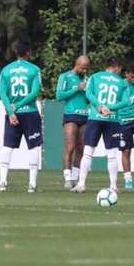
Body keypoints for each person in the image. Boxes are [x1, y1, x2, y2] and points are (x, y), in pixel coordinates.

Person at [72, 58, 129, 193]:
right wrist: (110, 108)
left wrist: (99, 106)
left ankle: (81, 184)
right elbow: (126, 101)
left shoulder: (95, 77)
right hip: (112, 119)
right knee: (112, 155)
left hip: (95, 118)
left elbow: (88, 93)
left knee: (87, 153)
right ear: (116, 67)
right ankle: (113, 186)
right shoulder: (121, 82)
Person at [0, 42, 43, 193]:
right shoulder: (34, 69)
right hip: (29, 112)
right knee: (34, 146)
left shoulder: (5, 70)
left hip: (12, 114)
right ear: (28, 53)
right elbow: (34, 92)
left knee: (7, 146)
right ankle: (32, 184)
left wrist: (11, 112)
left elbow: (2, 93)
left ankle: (2, 182)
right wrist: (18, 107)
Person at [56, 56, 90, 188]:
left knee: (81, 148)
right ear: (77, 64)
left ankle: (76, 178)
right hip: (70, 115)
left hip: (85, 115)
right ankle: (67, 177)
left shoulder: (87, 79)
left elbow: (87, 99)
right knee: (70, 147)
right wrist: (77, 88)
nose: (85, 71)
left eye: (87, 69)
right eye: (83, 68)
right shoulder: (65, 76)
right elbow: (59, 96)